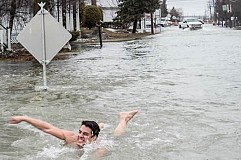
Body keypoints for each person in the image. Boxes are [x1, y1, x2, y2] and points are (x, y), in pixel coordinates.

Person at [9, 110, 138, 150]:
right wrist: (24, 118)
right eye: (80, 132)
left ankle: (124, 118)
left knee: (116, 136)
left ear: (93, 138)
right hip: (94, 133)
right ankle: (98, 125)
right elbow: (47, 128)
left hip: (98, 143)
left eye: (85, 134)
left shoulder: (99, 149)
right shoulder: (71, 137)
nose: (80, 136)